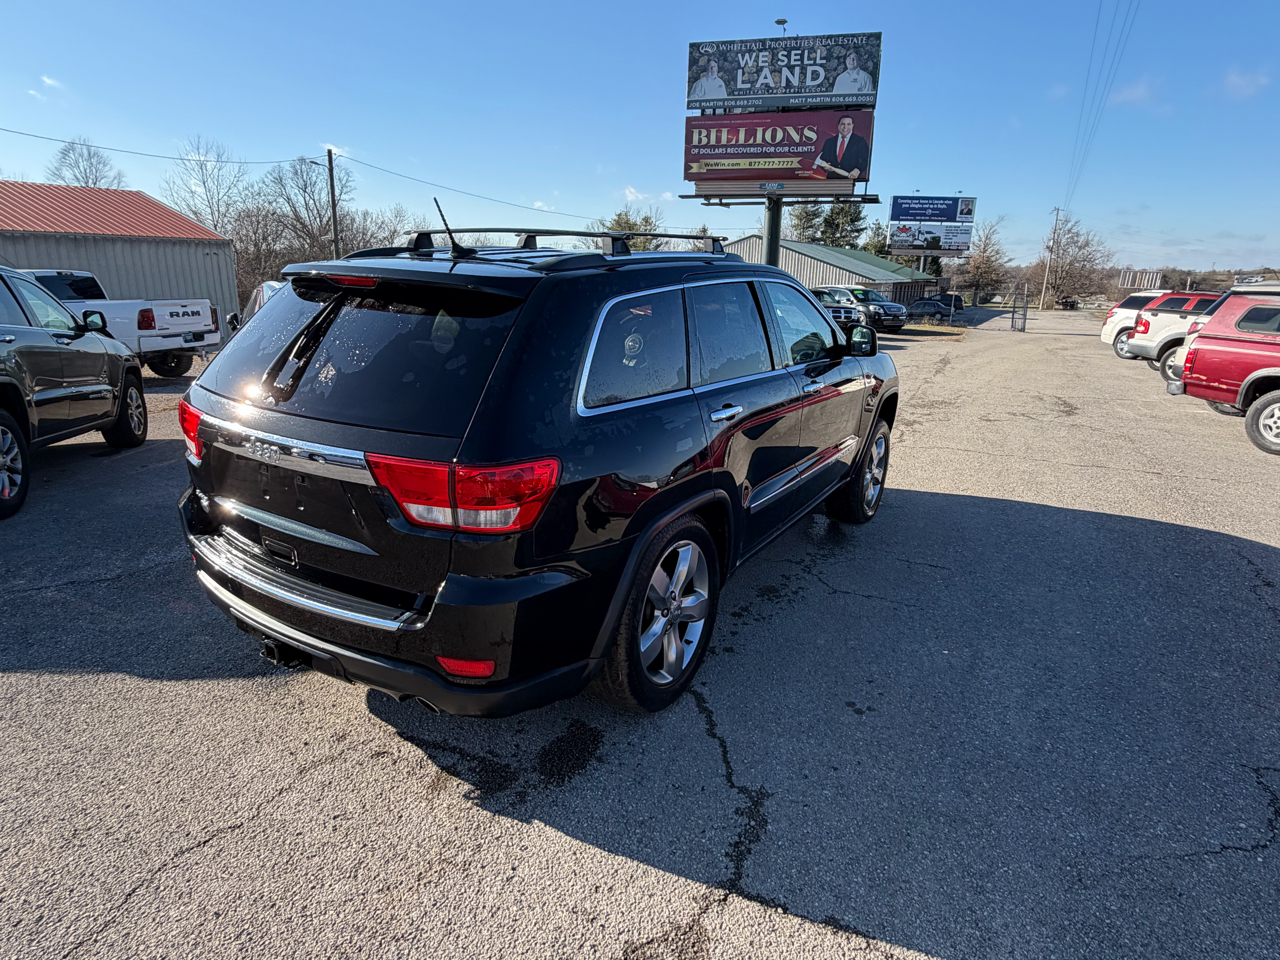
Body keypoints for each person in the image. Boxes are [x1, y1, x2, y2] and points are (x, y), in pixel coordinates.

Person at [814, 115, 870, 179]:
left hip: (849, 179)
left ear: (852, 126)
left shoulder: (860, 141)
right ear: (838, 125)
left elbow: (866, 159)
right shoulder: (829, 142)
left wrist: (858, 170)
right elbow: (822, 158)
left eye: (848, 124)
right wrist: (825, 167)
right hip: (831, 180)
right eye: (843, 124)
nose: (845, 127)